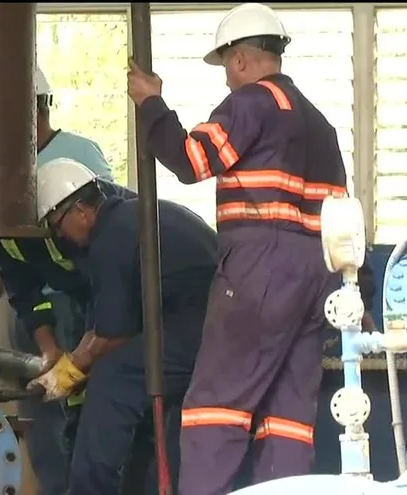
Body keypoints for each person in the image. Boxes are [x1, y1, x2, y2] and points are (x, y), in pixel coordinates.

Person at [125, 3, 348, 493]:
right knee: (288, 416)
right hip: (319, 277)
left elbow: (191, 160)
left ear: (242, 60)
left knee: (215, 407)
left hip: (259, 270)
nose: (226, 77)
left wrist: (151, 105)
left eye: (226, 64)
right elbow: (343, 222)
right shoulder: (319, 125)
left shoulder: (250, 103)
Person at [28, 157, 217, 494]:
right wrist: (75, 360)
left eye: (57, 227)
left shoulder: (111, 239)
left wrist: (68, 374)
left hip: (204, 324)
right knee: (132, 380)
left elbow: (112, 336)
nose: (59, 237)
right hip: (206, 319)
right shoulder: (126, 218)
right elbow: (106, 324)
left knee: (113, 379)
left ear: (80, 212)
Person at [0, 65, 119, 495]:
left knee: (82, 403)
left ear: (31, 111)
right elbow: (10, 257)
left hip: (84, 303)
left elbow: (105, 235)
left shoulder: (79, 155)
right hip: (33, 304)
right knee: (35, 408)